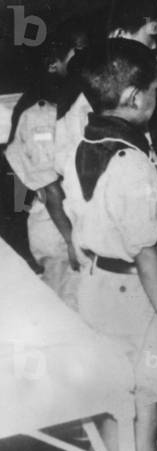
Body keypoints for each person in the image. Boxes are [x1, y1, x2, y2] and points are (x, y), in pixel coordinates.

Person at [62, 40, 157, 451]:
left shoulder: (83, 143)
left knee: (112, 398)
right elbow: (146, 254)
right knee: (146, 409)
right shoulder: (132, 164)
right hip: (137, 298)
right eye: (155, 88)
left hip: (97, 284)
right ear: (136, 97)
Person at [53, 0, 157, 178]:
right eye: (150, 35)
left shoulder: (127, 90)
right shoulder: (89, 101)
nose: (155, 44)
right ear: (119, 35)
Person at [4, 26, 83, 306]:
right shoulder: (39, 115)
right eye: (77, 54)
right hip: (55, 229)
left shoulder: (67, 103)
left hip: (67, 222)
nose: (85, 60)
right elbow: (50, 189)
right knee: (67, 306)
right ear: (53, 65)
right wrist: (73, 241)